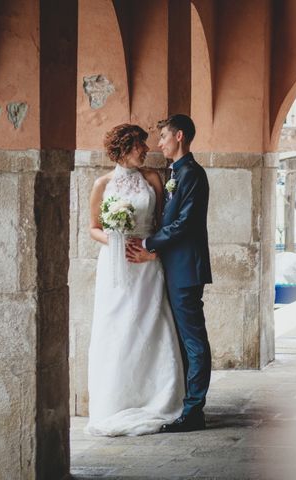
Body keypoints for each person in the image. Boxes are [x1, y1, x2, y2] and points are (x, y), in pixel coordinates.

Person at [85, 123, 185, 436]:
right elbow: (93, 228)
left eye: (145, 144)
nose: (146, 149)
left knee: (152, 324)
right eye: (140, 145)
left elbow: (160, 224)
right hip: (116, 266)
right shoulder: (102, 184)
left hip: (147, 264)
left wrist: (151, 251)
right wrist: (115, 240)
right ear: (124, 149)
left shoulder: (153, 179)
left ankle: (157, 396)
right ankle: (115, 402)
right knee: (117, 327)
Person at [127, 114, 212, 432]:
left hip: (186, 267)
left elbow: (185, 223)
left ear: (179, 136)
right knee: (181, 338)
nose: (158, 143)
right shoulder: (176, 172)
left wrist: (149, 242)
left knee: (193, 340)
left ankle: (194, 411)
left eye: (163, 136)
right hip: (173, 265)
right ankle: (185, 404)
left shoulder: (192, 173)